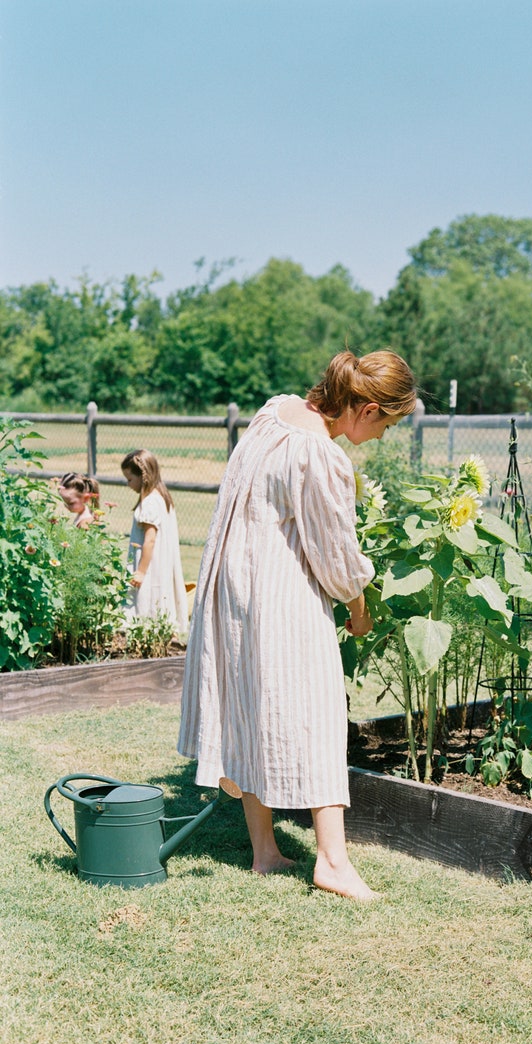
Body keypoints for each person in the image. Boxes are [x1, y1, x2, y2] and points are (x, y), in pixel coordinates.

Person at [178, 349, 416, 900]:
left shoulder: (274, 413)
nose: (382, 437)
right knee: (316, 711)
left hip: (232, 585)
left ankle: (266, 852)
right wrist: (360, 611)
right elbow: (335, 554)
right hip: (280, 597)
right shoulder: (320, 455)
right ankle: (332, 862)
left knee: (249, 704)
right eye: (387, 424)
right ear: (367, 409)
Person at [121, 448, 188, 634]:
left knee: (146, 600)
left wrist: (141, 571)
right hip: (161, 563)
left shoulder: (150, 502)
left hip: (149, 565)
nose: (128, 484)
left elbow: (149, 540)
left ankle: (143, 634)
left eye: (129, 479)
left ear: (143, 477)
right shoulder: (162, 498)